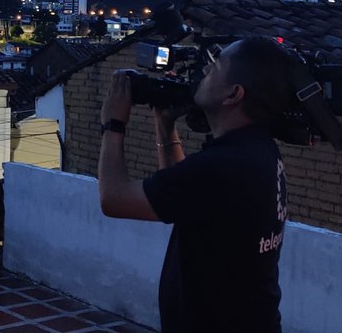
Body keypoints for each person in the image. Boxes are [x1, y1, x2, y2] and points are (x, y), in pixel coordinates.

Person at [97, 37, 295, 332]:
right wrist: (165, 125)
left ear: (233, 94)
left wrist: (113, 124)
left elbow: (114, 199)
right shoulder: (256, 149)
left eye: (216, 67)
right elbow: (184, 200)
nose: (205, 71)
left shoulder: (222, 165)